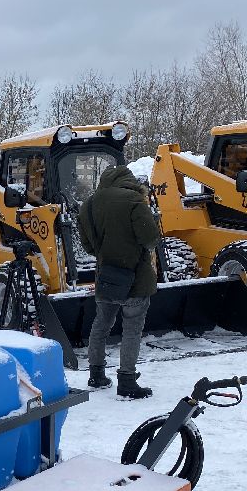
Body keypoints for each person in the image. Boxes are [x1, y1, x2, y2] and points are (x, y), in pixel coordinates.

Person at [77, 166, 160, 399]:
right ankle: (126, 380)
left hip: (106, 276)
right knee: (132, 328)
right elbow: (151, 238)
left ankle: (96, 374)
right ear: (129, 181)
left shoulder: (89, 204)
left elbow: (88, 245)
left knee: (101, 324)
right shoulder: (134, 200)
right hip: (135, 276)